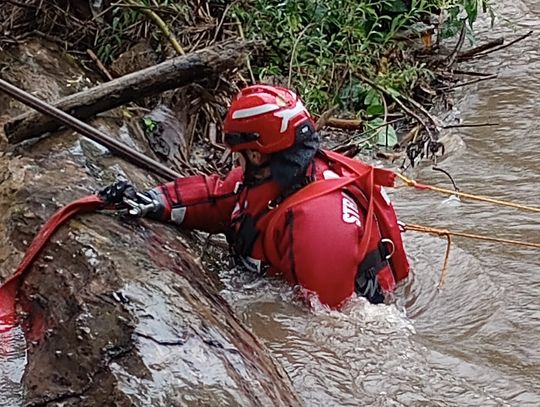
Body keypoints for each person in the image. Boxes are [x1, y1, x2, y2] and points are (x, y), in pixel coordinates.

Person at [99, 84, 410, 308]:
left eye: (239, 154)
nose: (235, 161)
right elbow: (218, 197)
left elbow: (333, 326)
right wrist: (153, 200)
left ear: (259, 156)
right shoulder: (278, 179)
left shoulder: (320, 226)